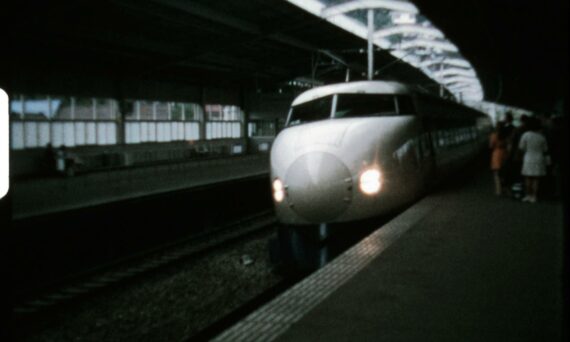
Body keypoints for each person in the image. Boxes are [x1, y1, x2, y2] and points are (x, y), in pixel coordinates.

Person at [518, 117, 549, 203]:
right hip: (539, 158)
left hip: (528, 158)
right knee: (536, 179)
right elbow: (545, 149)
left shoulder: (526, 135)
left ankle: (528, 195)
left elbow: (521, 147)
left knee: (528, 178)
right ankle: (534, 196)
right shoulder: (541, 137)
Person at [489, 121, 509, 195]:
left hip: (496, 154)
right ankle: (504, 188)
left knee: (497, 174)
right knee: (504, 173)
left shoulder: (494, 135)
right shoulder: (506, 135)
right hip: (504, 154)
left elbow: (491, 146)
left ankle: (498, 190)